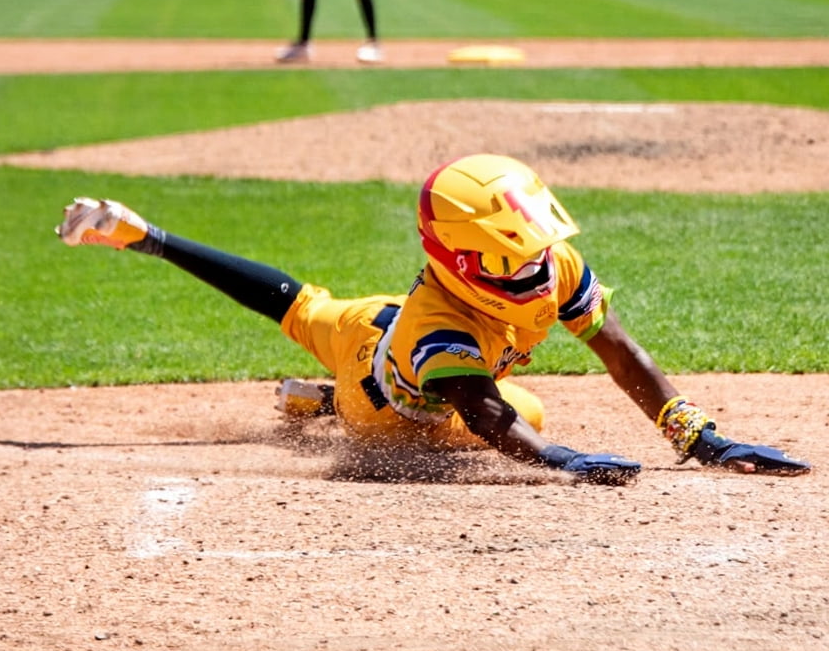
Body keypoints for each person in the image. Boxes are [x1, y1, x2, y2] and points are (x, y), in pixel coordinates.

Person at [55, 153, 810, 484]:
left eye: (536, 248)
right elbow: (486, 418)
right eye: (514, 254)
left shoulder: (549, 266)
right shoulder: (440, 323)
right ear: (466, 259)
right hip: (381, 393)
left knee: (305, 306)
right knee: (528, 409)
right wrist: (559, 461)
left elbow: (616, 349)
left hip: (378, 325)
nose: (538, 265)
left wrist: (697, 437)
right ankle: (325, 398)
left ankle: (304, 393)